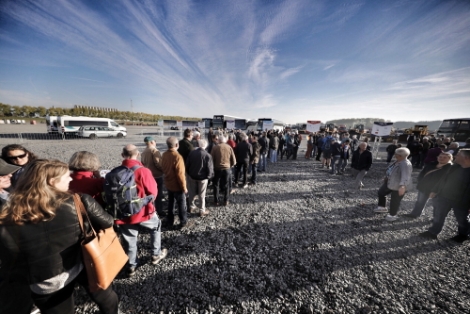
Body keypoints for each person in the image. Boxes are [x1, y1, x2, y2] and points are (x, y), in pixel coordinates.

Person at [0, 159, 119, 314]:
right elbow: (108, 222)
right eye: (66, 176)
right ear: (52, 181)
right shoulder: (78, 201)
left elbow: (10, 255)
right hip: (84, 262)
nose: (71, 178)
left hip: (45, 280)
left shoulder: (6, 214)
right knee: (106, 299)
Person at [115, 144, 167, 278]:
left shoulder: (115, 172)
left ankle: (131, 265)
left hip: (124, 213)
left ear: (122, 155)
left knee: (130, 240)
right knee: (156, 228)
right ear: (137, 154)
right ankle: (156, 254)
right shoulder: (143, 171)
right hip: (143, 212)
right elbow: (153, 192)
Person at [419, 149, 470, 242]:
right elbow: (443, 179)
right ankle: (433, 232)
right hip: (443, 197)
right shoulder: (454, 167)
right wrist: (435, 190)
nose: (455, 156)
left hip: (461, 202)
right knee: (438, 215)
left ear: (465, 158)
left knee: (462, 219)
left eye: (458, 155)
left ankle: (463, 235)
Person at [403, 152, 453, 219]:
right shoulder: (432, 164)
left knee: (437, 205)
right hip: (424, 187)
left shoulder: (450, 168)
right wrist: (420, 181)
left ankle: (436, 219)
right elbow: (422, 173)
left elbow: (447, 181)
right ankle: (415, 214)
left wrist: (436, 190)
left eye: (445, 157)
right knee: (420, 201)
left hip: (438, 190)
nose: (441, 159)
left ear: (450, 159)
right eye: (440, 157)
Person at [374, 147, 413, 222]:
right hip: (391, 182)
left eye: (396, 154)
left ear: (401, 156)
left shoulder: (405, 164)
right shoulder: (398, 161)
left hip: (398, 186)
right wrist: (387, 177)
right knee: (381, 192)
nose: (394, 155)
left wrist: (402, 186)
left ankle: (392, 215)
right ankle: (382, 207)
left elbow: (406, 176)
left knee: (395, 201)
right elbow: (392, 171)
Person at [162, 137, 190, 229]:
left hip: (168, 183)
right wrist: (184, 188)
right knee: (181, 205)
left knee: (170, 203)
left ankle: (170, 220)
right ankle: (183, 221)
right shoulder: (178, 157)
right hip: (177, 186)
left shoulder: (164, 154)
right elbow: (180, 175)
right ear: (177, 145)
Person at [186, 139, 214, 217]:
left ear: (198, 145)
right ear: (206, 145)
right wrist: (209, 177)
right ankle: (202, 210)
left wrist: (189, 173)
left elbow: (187, 165)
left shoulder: (192, 153)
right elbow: (210, 168)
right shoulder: (207, 155)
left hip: (192, 176)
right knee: (202, 194)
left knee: (191, 192)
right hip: (203, 178)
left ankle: (191, 206)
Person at [141, 136, 165, 217]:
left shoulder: (143, 152)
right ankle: (159, 211)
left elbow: (142, 163)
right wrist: (164, 170)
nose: (155, 143)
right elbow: (158, 164)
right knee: (158, 194)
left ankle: (150, 210)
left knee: (150, 194)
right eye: (155, 141)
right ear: (151, 142)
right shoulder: (154, 151)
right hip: (157, 175)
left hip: (149, 176)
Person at [211, 135, 236, 206]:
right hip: (227, 169)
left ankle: (216, 201)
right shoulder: (229, 147)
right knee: (226, 184)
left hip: (217, 169)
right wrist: (230, 165)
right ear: (225, 141)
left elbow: (211, 159)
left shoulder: (215, 148)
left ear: (218, 140)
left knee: (216, 185)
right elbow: (233, 160)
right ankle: (226, 200)